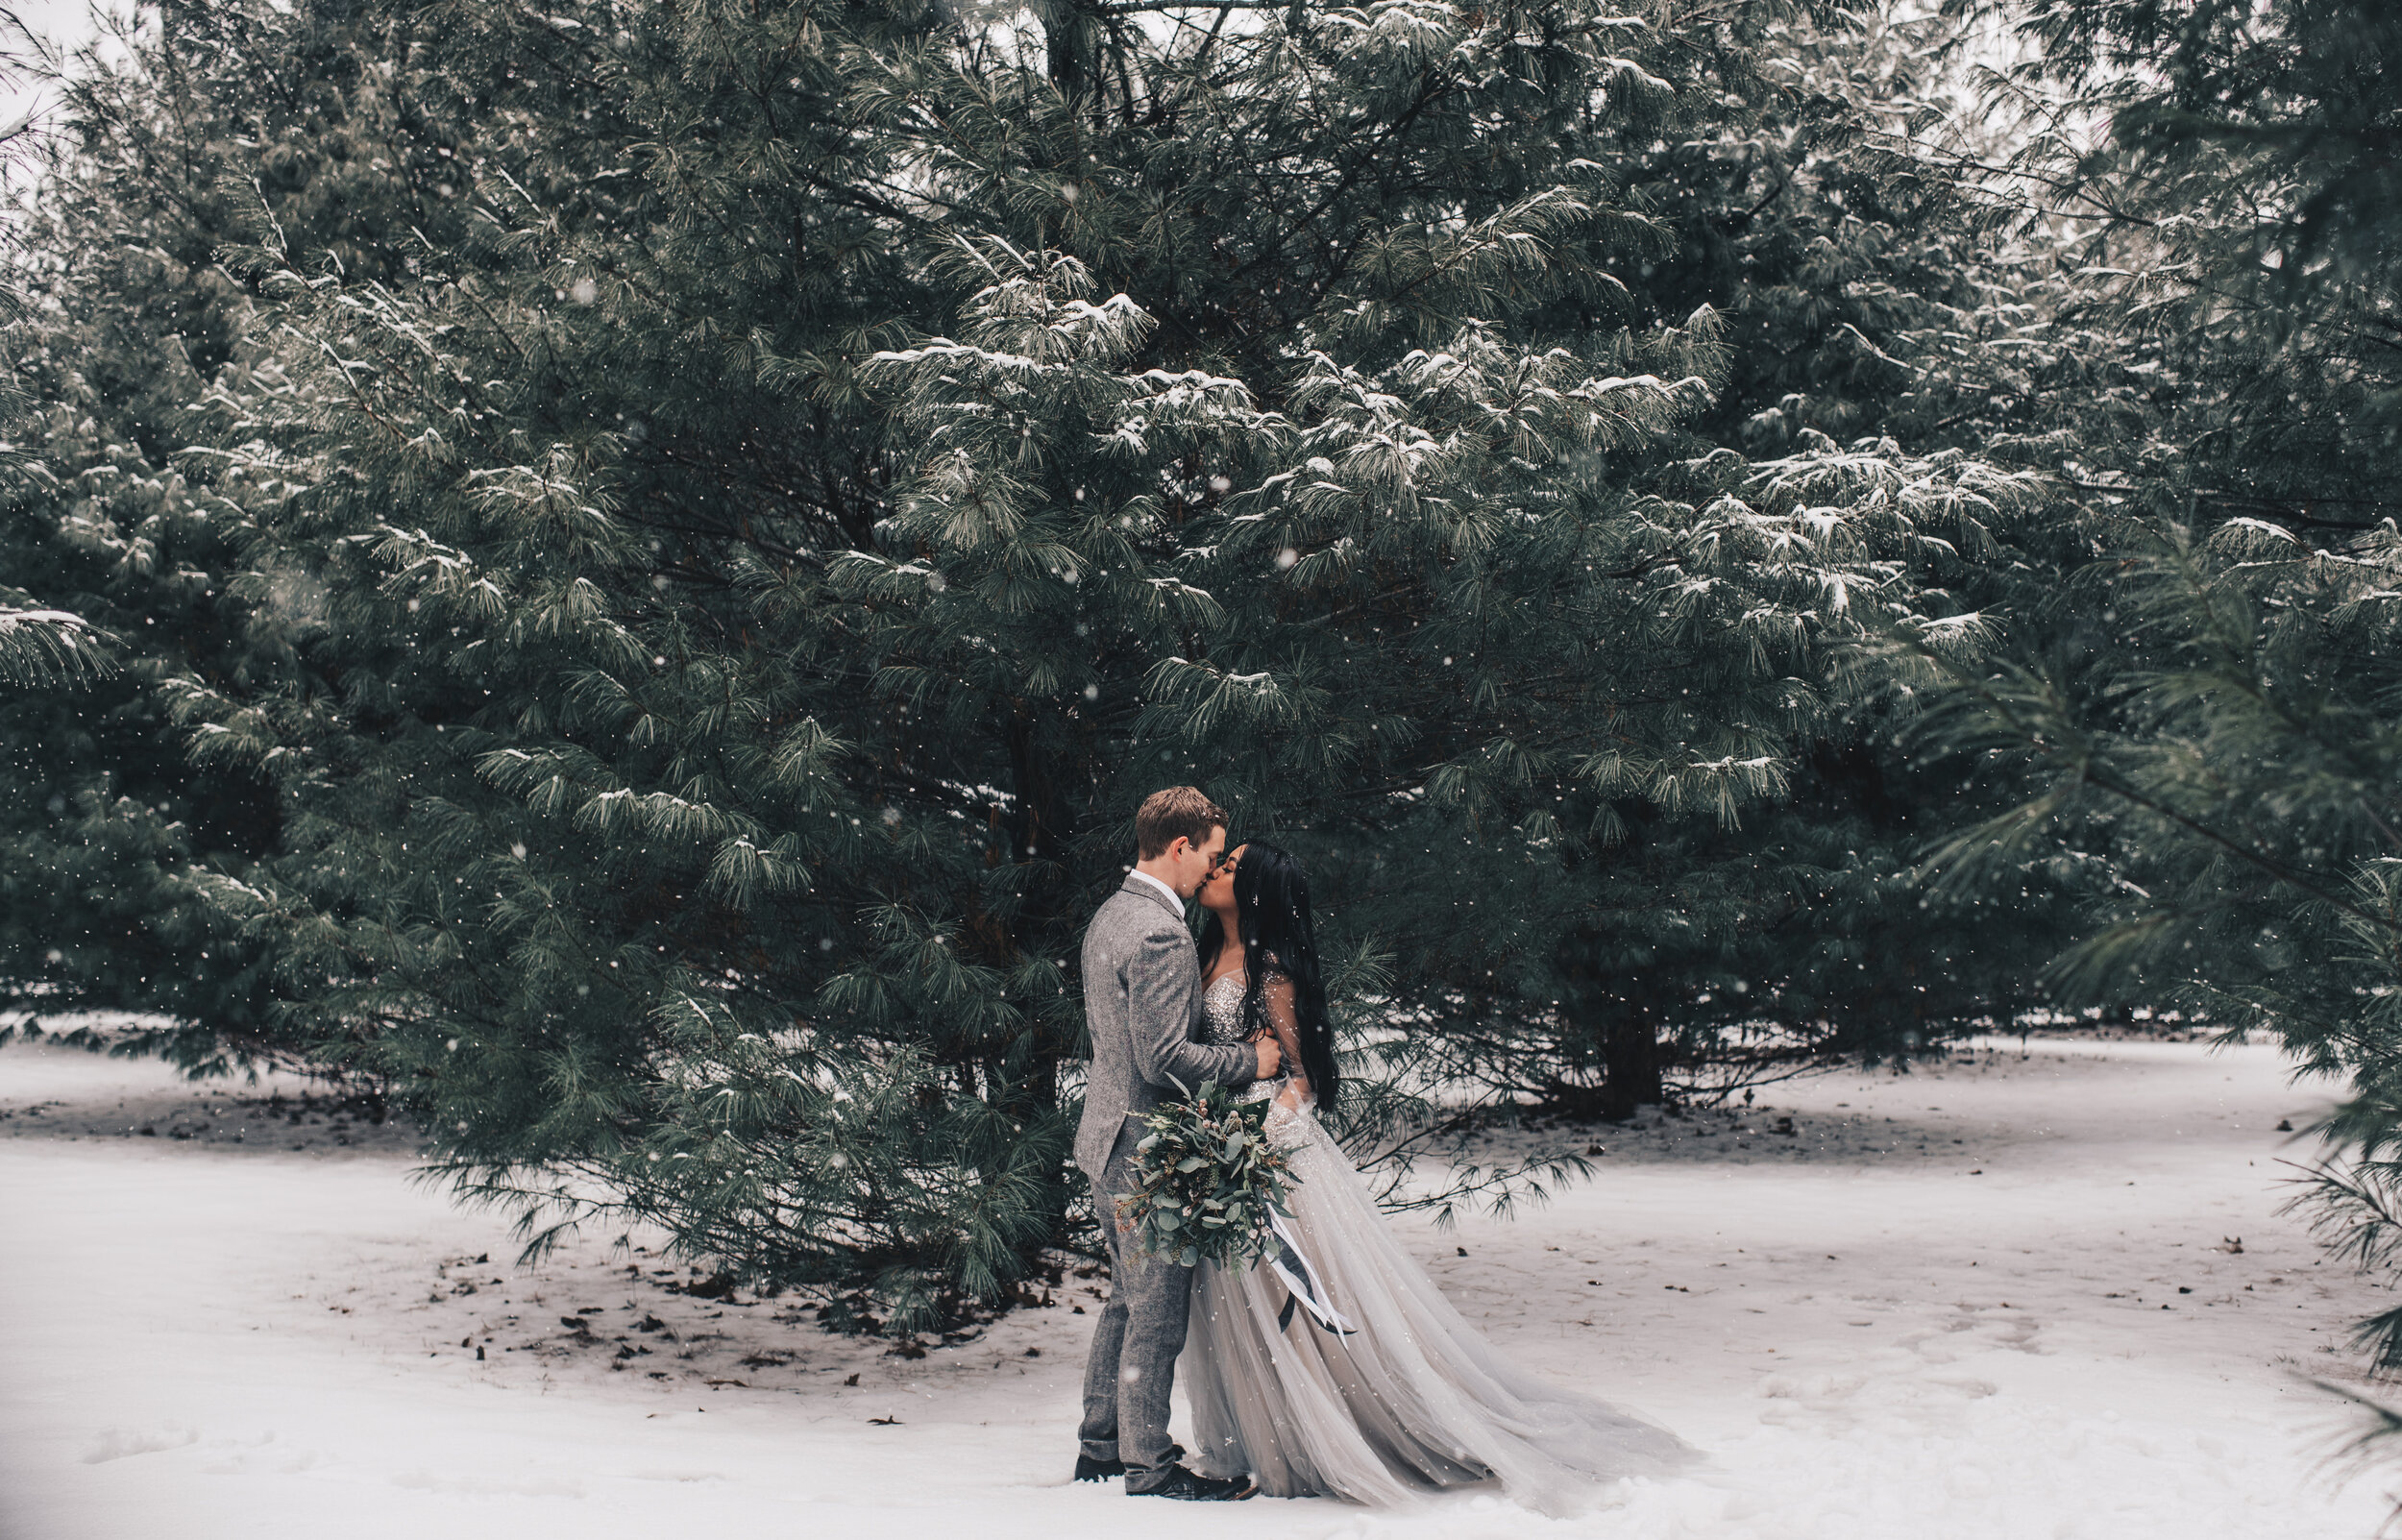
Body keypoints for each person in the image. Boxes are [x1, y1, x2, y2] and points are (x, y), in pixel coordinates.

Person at [1180, 841, 1696, 1511]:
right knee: (1236, 1302)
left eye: (1232, 867)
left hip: (1269, 1155)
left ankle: (1326, 1432)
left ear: (1255, 892)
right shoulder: (1203, 955)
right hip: (1217, 1150)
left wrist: (1258, 1132)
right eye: (1220, 861)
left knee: (1294, 1298)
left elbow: (1304, 1077)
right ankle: (1261, 1431)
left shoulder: (1271, 968)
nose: (1215, 870)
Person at [1073, 786, 1282, 1501]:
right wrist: (1248, 1064)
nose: (1212, 871)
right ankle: (1150, 1466)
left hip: (1106, 1134)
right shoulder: (1160, 932)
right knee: (1155, 1312)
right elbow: (1164, 1057)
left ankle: (1101, 1445)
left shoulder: (1111, 914)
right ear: (1181, 846)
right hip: (1143, 1148)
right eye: (1212, 856)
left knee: (1125, 1300)